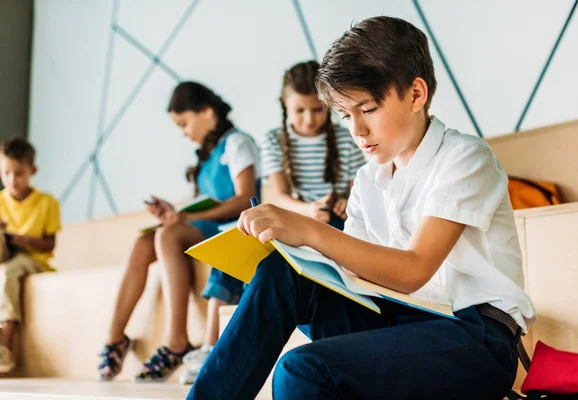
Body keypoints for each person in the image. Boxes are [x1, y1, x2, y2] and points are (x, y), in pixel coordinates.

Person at [187, 16, 536, 400]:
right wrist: (292, 250)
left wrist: (310, 231)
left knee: (301, 370)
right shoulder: (369, 180)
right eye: (344, 115)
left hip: (476, 338)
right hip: (398, 321)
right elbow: (354, 278)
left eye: (367, 109)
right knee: (281, 272)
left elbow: (414, 270)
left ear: (416, 95)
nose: (357, 130)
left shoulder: (465, 157)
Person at [97, 82, 260, 383]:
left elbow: (243, 196)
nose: (185, 132)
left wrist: (184, 217)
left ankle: (176, 341)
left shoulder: (238, 143)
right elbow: (202, 204)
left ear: (206, 111)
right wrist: (174, 212)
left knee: (168, 235)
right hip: (206, 225)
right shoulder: (206, 156)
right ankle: (114, 338)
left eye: (185, 123)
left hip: (234, 226)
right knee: (145, 240)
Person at [261, 60, 365, 230]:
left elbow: (360, 191)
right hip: (296, 219)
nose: (309, 119)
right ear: (285, 104)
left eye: (317, 110)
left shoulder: (346, 139)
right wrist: (309, 210)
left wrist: (347, 202)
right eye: (300, 111)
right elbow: (280, 196)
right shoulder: (273, 141)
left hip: (340, 222)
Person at [0, 138, 61, 373]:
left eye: (19, 173)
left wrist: (22, 239)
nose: (12, 180)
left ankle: (5, 345)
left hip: (32, 259)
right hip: (4, 254)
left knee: (7, 273)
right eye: (6, 173)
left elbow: (50, 245)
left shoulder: (47, 203)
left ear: (32, 171)